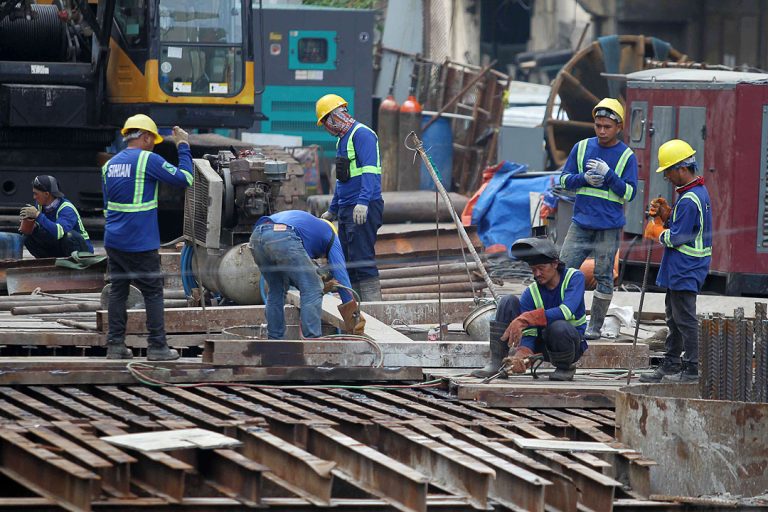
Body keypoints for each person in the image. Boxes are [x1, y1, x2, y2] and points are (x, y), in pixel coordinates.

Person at [101, 114, 193, 360]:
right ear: (144, 137)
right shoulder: (147, 159)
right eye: (152, 140)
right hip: (139, 240)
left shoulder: (109, 165)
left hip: (114, 241)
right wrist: (183, 146)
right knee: (153, 291)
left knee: (118, 291)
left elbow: (107, 206)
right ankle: (157, 347)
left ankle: (115, 346)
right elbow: (186, 178)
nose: (154, 145)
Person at [558, 98, 637, 340]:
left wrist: (609, 175)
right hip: (581, 223)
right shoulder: (581, 148)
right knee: (562, 270)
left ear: (619, 127)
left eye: (607, 127)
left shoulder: (626, 156)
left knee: (604, 277)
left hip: (609, 227)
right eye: (598, 125)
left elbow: (630, 193)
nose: (602, 131)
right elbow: (563, 180)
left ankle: (595, 327)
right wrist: (582, 178)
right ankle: (569, 318)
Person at [640, 139, 712, 383]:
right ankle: (672, 363)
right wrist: (667, 215)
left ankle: (692, 368)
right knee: (674, 317)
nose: (667, 177)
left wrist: (656, 230)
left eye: (668, 171)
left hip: (686, 267)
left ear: (681, 168)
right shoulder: (693, 194)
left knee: (684, 318)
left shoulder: (691, 199)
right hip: (681, 267)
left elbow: (679, 237)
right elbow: (686, 226)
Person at [471, 237, 588, 381]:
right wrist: (523, 354)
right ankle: (496, 362)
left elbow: (566, 311)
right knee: (507, 301)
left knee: (559, 326)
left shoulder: (574, 278)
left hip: (569, 345)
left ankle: (565, 367)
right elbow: (530, 334)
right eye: (533, 269)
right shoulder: (531, 292)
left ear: (555, 264)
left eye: (541, 268)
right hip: (543, 346)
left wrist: (525, 319)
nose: (537, 274)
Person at [249, 210, 364, 339]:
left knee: (276, 289)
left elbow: (293, 272)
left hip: (257, 236)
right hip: (283, 235)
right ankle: (312, 341)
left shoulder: (309, 229)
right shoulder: (331, 236)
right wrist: (353, 315)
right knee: (312, 288)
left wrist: (320, 282)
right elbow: (341, 276)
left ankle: (275, 340)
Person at [316, 94, 384, 302]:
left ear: (335, 117)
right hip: (346, 209)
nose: (326, 128)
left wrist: (363, 202)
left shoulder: (362, 135)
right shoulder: (342, 141)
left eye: (326, 122)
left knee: (362, 261)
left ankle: (375, 310)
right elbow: (342, 180)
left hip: (362, 207)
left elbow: (370, 171)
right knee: (347, 262)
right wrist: (333, 209)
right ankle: (357, 308)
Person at [18, 175, 93, 258]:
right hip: (60, 246)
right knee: (28, 237)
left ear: (46, 194)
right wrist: (33, 226)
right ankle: (48, 262)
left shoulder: (66, 208)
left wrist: (38, 215)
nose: (34, 197)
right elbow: (44, 228)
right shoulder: (40, 205)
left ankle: (78, 263)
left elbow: (59, 232)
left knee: (69, 236)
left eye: (36, 194)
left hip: (82, 251)